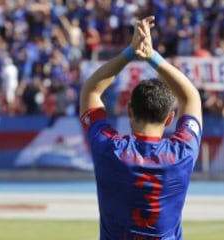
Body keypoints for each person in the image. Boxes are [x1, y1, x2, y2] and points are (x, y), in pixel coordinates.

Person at [79, 16, 202, 240]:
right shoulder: (182, 153)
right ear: (169, 119)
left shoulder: (109, 149)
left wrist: (130, 52)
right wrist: (152, 57)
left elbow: (91, 92)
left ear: (129, 110)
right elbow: (190, 96)